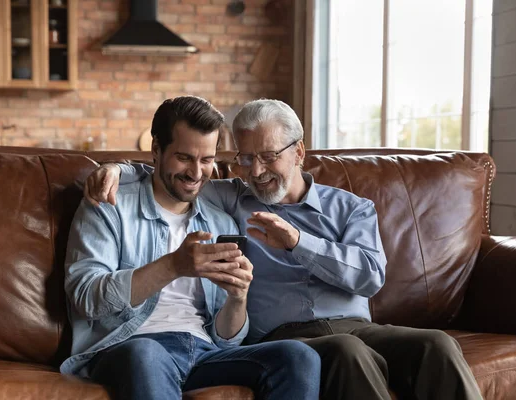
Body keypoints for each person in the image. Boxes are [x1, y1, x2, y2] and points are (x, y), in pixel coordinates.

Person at [85, 99, 483, 400]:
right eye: (245, 159)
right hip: (284, 335)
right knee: (344, 352)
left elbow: (370, 276)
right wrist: (118, 168)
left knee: (437, 344)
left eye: (268, 157)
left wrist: (297, 241)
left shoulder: (351, 208)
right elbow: (179, 178)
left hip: (356, 326)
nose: (256, 171)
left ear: (299, 152)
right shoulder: (232, 200)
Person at [60, 96, 321, 400]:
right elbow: (86, 297)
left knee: (299, 357)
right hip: (129, 346)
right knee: (146, 353)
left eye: (207, 160)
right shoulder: (108, 204)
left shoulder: (220, 221)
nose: (196, 173)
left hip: (203, 352)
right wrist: (173, 266)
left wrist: (237, 299)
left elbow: (227, 342)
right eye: (184, 157)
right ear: (156, 150)